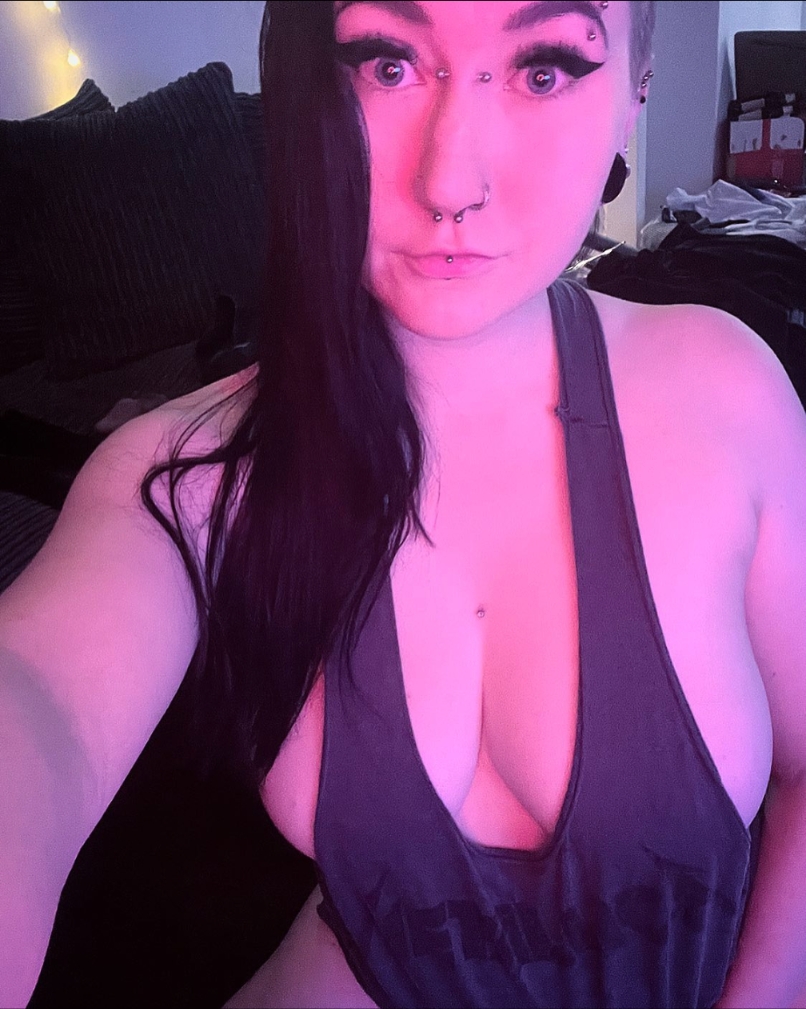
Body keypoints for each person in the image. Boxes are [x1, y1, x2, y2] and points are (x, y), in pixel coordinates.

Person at [2, 1, 806, 1007]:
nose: (449, 184)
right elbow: (34, 698)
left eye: (544, 70)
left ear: (634, 93)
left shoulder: (727, 394)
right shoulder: (185, 473)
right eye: (386, 63)